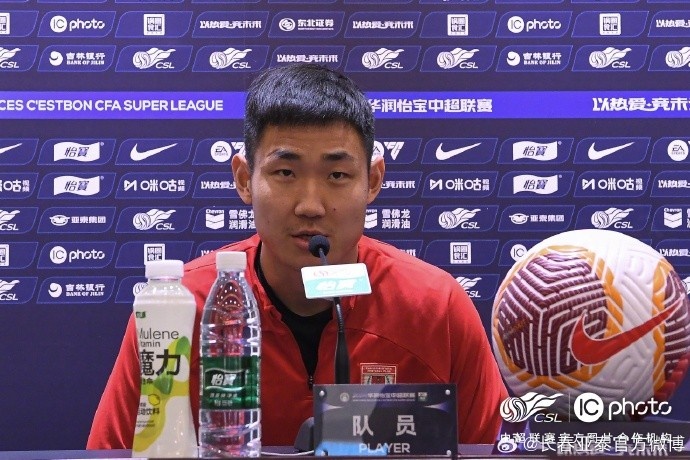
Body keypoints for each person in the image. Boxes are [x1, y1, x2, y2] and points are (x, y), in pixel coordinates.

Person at [87, 63, 508, 449]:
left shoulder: (434, 307)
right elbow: (110, 454)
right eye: (285, 173)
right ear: (244, 179)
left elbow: (493, 452)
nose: (310, 205)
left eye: (337, 175)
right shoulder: (180, 309)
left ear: (373, 181)